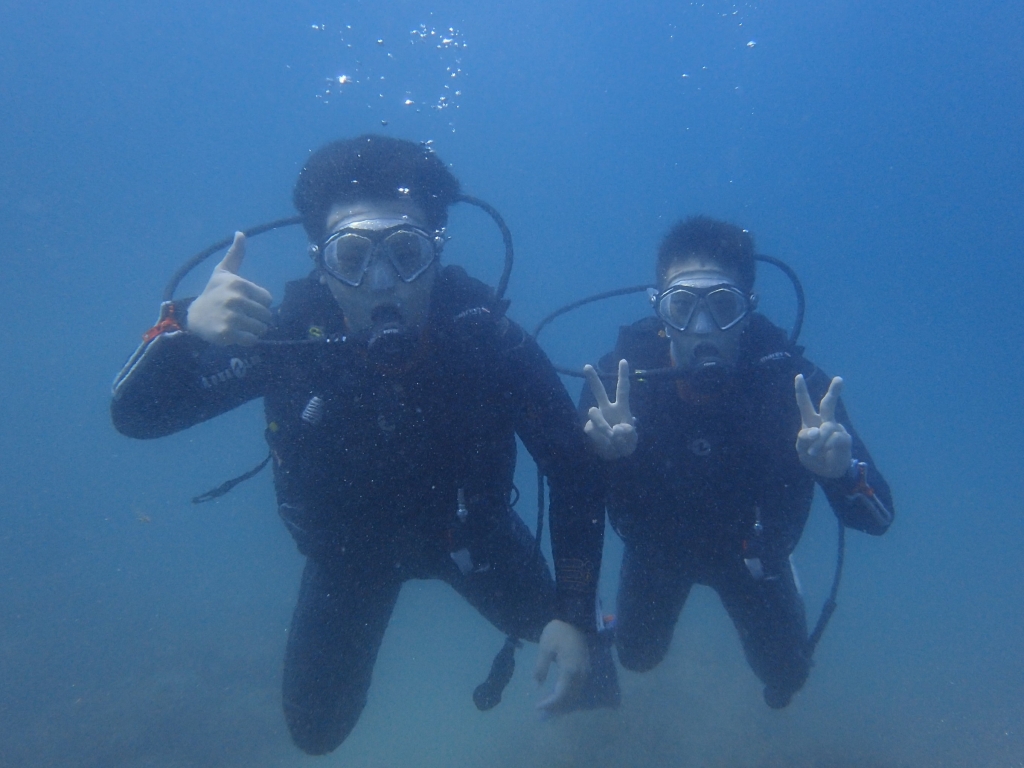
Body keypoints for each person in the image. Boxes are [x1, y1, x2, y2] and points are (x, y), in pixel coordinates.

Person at [111, 135, 614, 755]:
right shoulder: (286, 340)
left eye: (406, 253)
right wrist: (189, 331)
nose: (381, 283)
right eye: (351, 256)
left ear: (437, 252)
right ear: (320, 263)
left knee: (585, 660)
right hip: (349, 559)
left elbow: (572, 471)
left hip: (474, 540)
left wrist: (576, 612)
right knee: (315, 733)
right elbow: (136, 418)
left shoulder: (485, 340)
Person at [580, 215, 893, 709]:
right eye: (682, 306)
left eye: (723, 306)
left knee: (787, 677)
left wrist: (840, 473)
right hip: (658, 553)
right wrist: (599, 458)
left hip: (754, 557)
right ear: (659, 310)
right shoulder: (617, 386)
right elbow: (573, 502)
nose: (702, 329)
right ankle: (616, 629)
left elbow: (879, 518)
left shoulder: (796, 387)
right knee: (637, 657)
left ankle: (784, 599)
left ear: (749, 308)